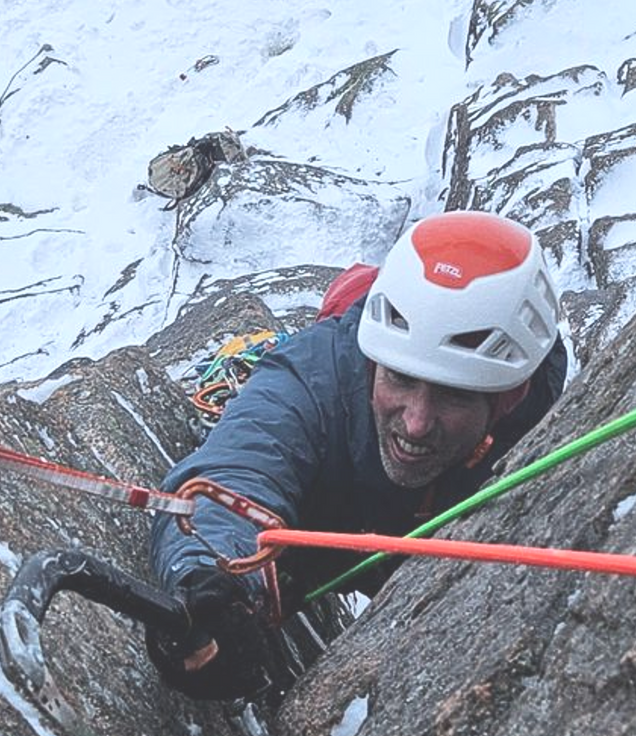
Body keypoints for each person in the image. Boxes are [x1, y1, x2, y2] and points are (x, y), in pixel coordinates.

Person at [146, 210, 568, 701]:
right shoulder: (314, 377)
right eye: (400, 378)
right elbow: (235, 472)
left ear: (506, 398)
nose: (415, 422)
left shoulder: (535, 416)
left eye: (454, 394)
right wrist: (207, 581)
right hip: (326, 531)